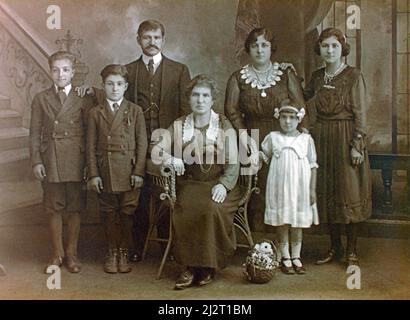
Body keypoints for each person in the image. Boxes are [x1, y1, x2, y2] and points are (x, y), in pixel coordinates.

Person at [80, 19, 191, 261]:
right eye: (146, 37)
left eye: (156, 37)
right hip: (135, 146)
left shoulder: (179, 70)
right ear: (138, 39)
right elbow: (116, 99)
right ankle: (136, 248)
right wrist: (90, 91)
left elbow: (185, 112)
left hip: (168, 146)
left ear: (163, 39)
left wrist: (176, 144)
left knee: (167, 195)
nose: (152, 42)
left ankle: (167, 249)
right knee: (137, 197)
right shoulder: (128, 70)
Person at [152, 75, 241, 289]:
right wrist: (171, 158)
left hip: (220, 183)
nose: (200, 100)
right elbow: (156, 151)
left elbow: (234, 161)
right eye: (195, 95)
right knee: (187, 207)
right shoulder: (180, 125)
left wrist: (224, 184)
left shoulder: (223, 124)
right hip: (190, 184)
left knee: (211, 208)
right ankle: (189, 267)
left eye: (205, 96)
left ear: (212, 100)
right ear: (189, 99)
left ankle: (208, 267)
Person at [224, 27, 305, 230]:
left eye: (264, 45)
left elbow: (300, 107)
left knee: (281, 190)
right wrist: (244, 137)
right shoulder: (238, 78)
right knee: (253, 192)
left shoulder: (286, 74)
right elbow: (231, 111)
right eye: (254, 46)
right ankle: (256, 246)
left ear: (271, 48)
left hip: (282, 138)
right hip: (249, 137)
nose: (259, 50)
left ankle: (281, 245)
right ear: (248, 49)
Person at [303, 28, 372, 267]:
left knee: (348, 192)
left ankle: (352, 250)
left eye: (334, 45)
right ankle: (335, 247)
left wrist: (357, 145)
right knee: (328, 191)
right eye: (324, 46)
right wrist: (287, 73)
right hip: (322, 139)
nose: (329, 50)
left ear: (343, 48)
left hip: (346, 138)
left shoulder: (354, 76)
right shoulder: (317, 77)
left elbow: (361, 114)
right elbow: (301, 97)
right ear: (319, 49)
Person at [29, 51, 94, 273]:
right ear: (50, 72)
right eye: (56, 70)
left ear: (73, 72)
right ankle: (56, 254)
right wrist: (37, 161)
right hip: (51, 159)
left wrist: (88, 163)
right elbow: (34, 133)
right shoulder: (41, 98)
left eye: (65, 69)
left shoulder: (83, 97)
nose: (60, 74)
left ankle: (72, 254)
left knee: (74, 207)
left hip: (76, 158)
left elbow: (90, 133)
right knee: (54, 206)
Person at [87, 64, 147, 273]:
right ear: (103, 86)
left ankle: (124, 251)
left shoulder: (135, 110)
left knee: (128, 211)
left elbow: (142, 144)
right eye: (110, 84)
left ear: (126, 86)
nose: (114, 88)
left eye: (119, 84)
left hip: (129, 169)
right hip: (106, 170)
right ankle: (112, 251)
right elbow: (90, 146)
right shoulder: (96, 112)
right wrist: (93, 174)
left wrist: (139, 171)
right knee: (109, 212)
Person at [259, 101, 318, 274]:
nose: (288, 122)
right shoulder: (273, 137)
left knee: (297, 222)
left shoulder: (306, 139)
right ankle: (285, 256)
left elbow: (313, 165)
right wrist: (257, 156)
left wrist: (312, 189)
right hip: (279, 186)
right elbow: (265, 156)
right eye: (284, 117)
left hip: (299, 187)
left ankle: (296, 256)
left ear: (299, 119)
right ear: (278, 118)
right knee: (283, 220)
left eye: (292, 118)